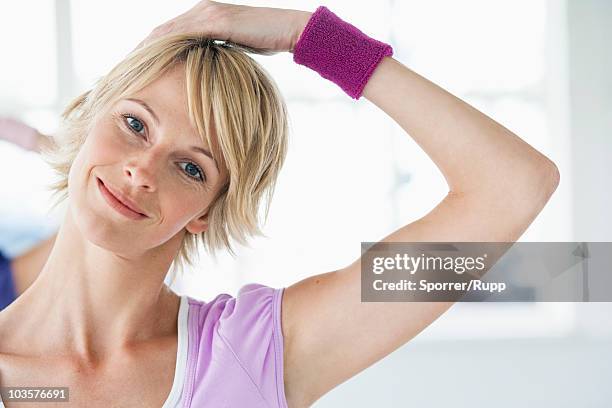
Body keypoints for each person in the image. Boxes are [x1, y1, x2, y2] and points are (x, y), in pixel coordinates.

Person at [0, 1, 559, 407]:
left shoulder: (259, 351)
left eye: (192, 167)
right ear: (87, 118)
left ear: (207, 213)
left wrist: (307, 36)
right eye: (134, 123)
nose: (142, 170)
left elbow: (512, 185)